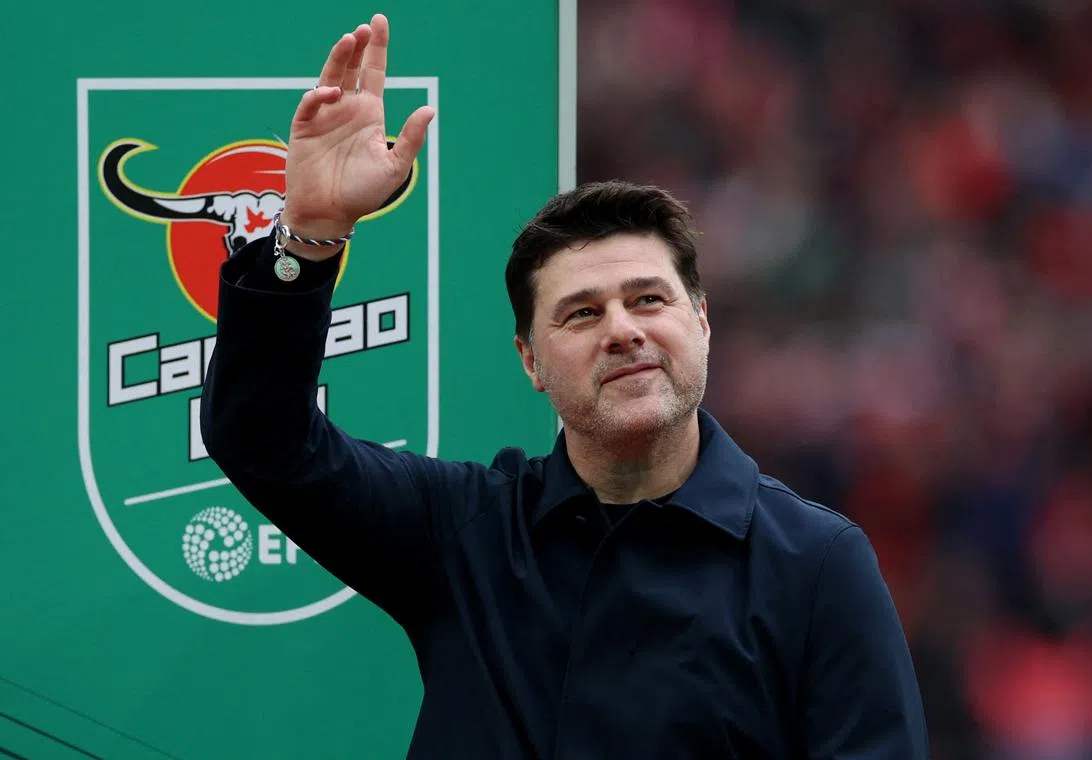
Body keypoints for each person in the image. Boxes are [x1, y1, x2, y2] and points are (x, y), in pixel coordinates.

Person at [201, 13, 930, 760]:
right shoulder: (465, 531)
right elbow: (263, 440)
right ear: (530, 362)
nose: (622, 330)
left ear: (702, 322)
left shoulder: (817, 565)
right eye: (582, 313)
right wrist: (308, 236)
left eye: (649, 299)